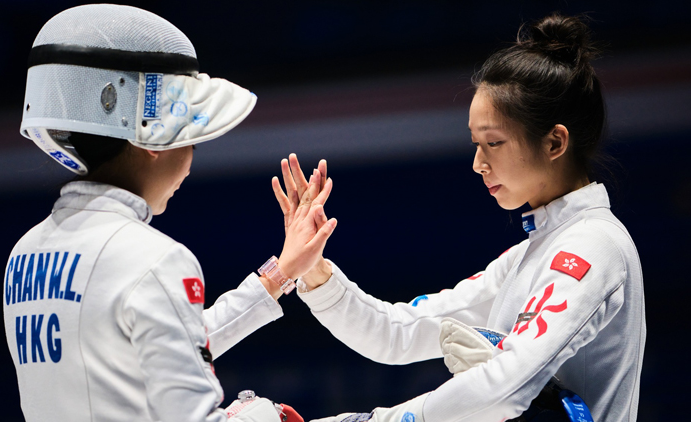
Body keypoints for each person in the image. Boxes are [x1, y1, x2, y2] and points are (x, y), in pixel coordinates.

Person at [273, 13, 645, 422]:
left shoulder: (591, 246)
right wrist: (315, 271)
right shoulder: (532, 256)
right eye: (475, 143)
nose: (477, 163)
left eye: (494, 143)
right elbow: (397, 333)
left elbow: (506, 388)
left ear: (555, 141)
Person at [2, 4, 336, 422]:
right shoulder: (155, 258)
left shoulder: (25, 253)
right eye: (190, 140)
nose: (191, 161)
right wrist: (261, 414)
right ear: (153, 140)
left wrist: (282, 272)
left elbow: (151, 349)